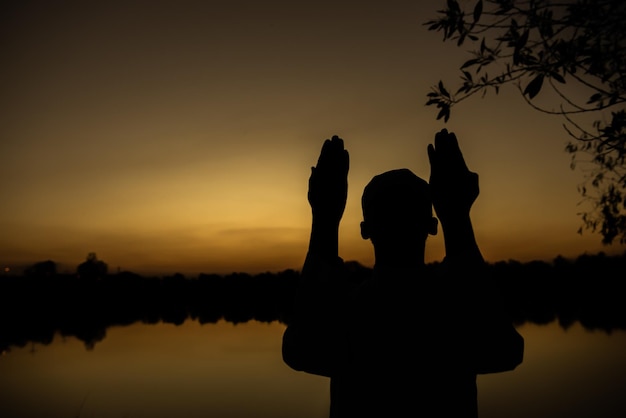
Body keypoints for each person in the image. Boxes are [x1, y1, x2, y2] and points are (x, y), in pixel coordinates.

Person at [282, 129, 524, 417]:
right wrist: (457, 216)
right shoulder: (453, 308)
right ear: (432, 225)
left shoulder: (349, 311)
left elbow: (301, 350)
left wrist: (324, 217)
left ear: (365, 230)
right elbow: (503, 351)